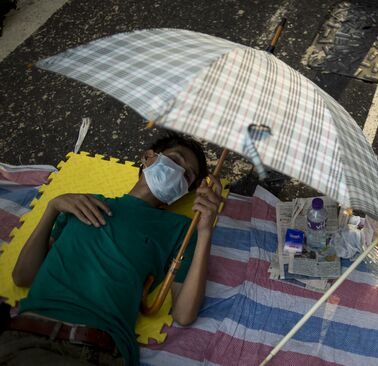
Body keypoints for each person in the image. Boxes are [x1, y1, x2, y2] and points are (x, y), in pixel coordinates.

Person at [1, 133, 223, 366]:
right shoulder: (81, 203)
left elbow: (184, 314)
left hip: (96, 350)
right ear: (148, 157)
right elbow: (22, 276)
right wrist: (53, 206)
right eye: (175, 160)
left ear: (183, 191)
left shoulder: (181, 230)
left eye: (187, 175)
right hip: (23, 338)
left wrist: (206, 229)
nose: (179, 172)